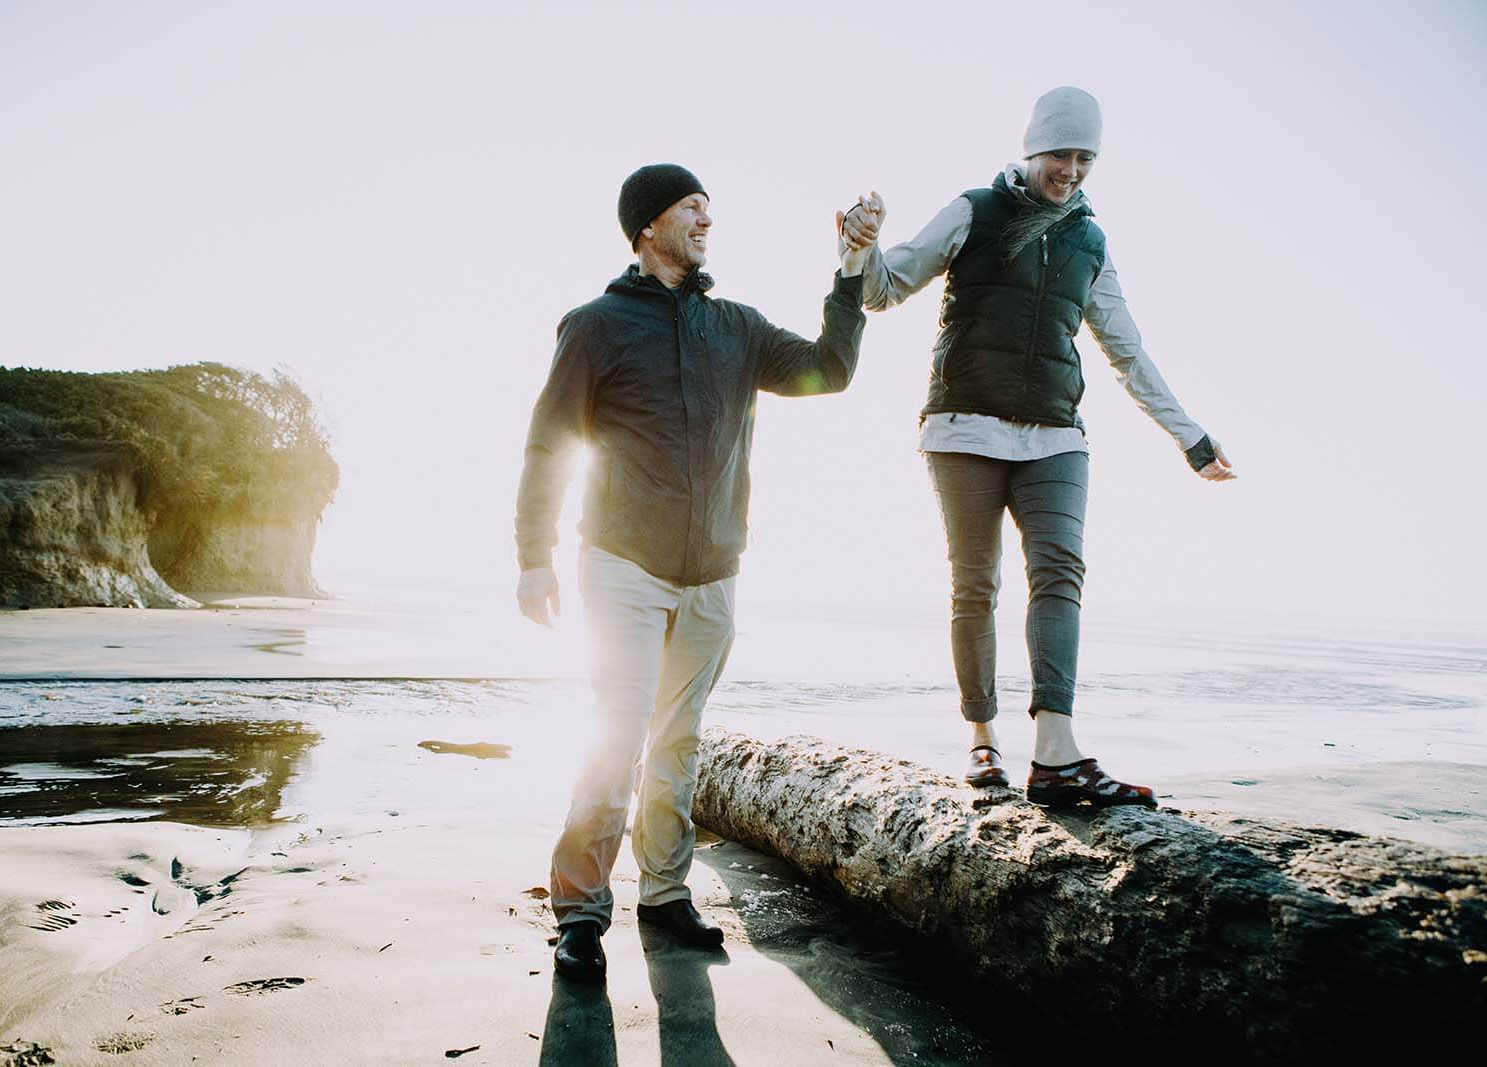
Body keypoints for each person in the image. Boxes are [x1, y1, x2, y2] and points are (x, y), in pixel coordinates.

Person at [515, 164, 877, 982]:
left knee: (679, 739)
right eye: (690, 206)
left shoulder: (736, 328)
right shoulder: (596, 326)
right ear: (647, 225)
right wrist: (534, 555)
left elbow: (830, 367)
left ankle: (666, 894)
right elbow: (548, 444)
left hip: (713, 572)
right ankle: (579, 910)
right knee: (619, 724)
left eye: (709, 205)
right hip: (621, 565)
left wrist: (850, 272)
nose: (706, 217)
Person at [839, 86, 1235, 809]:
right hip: (963, 428)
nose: (1073, 170)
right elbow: (884, 288)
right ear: (1031, 149)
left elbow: (1127, 350)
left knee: (1060, 570)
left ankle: (1055, 751)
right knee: (976, 583)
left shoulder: (1090, 239)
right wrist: (858, 250)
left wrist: (1191, 437)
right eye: (1062, 154)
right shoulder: (975, 211)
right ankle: (982, 738)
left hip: (1056, 434)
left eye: (1087, 158)